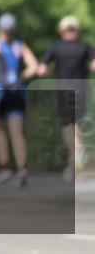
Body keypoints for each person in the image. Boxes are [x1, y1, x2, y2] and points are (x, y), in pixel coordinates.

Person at [0, 12, 38, 187]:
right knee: (18, 132)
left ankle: (5, 167)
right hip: (18, 91)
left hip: (0, 92)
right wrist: (21, 75)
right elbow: (34, 66)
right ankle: (22, 169)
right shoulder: (20, 45)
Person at [37, 15, 95, 182]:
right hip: (81, 89)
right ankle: (76, 155)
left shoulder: (55, 47)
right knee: (77, 122)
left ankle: (75, 155)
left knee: (66, 124)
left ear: (62, 31)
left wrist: (47, 71)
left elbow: (42, 69)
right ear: (77, 30)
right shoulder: (84, 46)